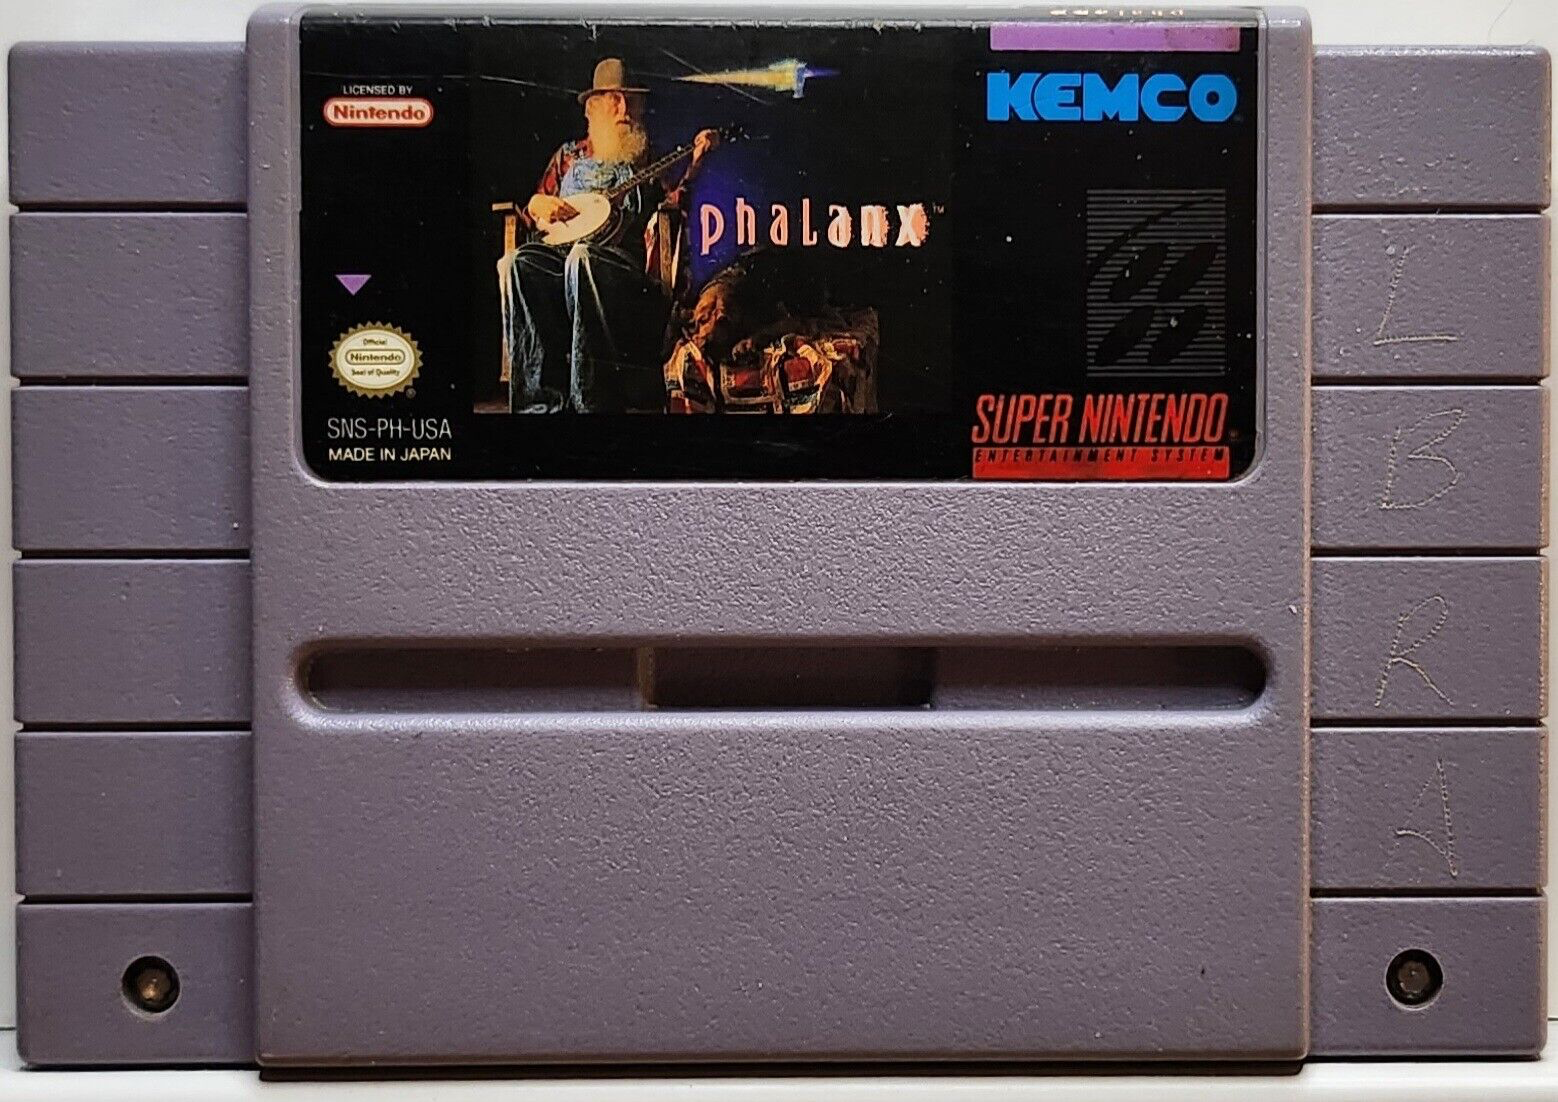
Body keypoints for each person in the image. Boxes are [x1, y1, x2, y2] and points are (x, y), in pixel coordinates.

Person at [501, 58, 719, 412]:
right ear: (592, 108)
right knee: (519, 263)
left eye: (630, 101)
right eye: (614, 101)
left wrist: (696, 163)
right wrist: (539, 203)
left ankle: (591, 403)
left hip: (618, 273)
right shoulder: (568, 157)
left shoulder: (648, 159)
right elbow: (533, 213)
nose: (624, 110)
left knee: (582, 259)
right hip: (561, 259)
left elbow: (674, 207)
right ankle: (539, 405)